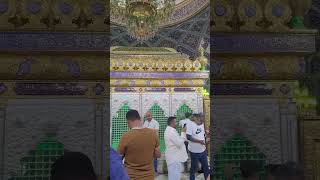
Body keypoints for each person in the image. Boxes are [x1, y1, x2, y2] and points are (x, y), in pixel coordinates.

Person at [118, 109, 161, 180]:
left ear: (128, 121)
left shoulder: (125, 136)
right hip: (148, 176)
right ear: (140, 119)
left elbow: (119, 158)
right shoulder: (153, 134)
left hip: (131, 176)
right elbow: (158, 155)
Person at [186, 114, 210, 180]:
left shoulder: (202, 124)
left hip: (203, 150)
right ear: (197, 118)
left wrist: (207, 135)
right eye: (202, 119)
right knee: (194, 168)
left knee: (206, 167)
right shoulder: (190, 124)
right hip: (194, 152)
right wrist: (199, 141)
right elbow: (188, 137)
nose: (203, 121)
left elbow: (202, 134)